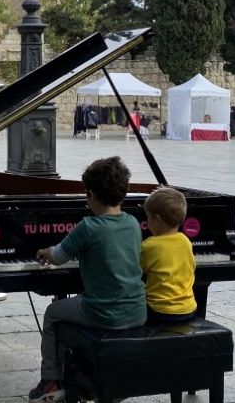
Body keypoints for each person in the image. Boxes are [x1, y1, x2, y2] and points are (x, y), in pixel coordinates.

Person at [28, 157, 145, 403]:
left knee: (52, 314)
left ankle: (51, 380)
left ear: (90, 194)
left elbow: (58, 258)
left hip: (101, 312)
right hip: (137, 311)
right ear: (122, 194)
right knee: (76, 305)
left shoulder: (88, 226)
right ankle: (86, 378)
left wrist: (46, 251)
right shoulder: (133, 222)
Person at [140, 187, 197, 325]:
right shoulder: (185, 241)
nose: (146, 222)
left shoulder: (149, 245)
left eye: (148, 217)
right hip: (189, 309)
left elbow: (133, 272)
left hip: (158, 312)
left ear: (157, 219)